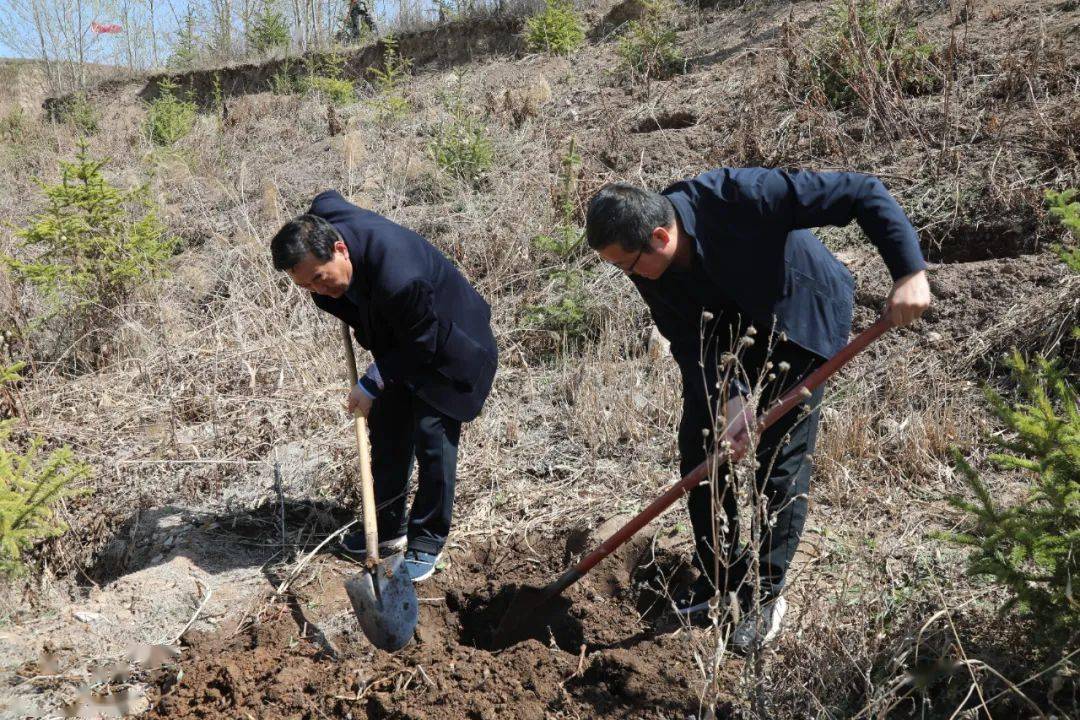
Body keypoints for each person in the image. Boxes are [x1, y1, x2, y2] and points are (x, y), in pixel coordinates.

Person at [584, 168, 931, 648]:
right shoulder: (647, 261)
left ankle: (767, 595)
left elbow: (862, 192)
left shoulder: (740, 198)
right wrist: (730, 399)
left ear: (660, 236)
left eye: (628, 265)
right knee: (700, 451)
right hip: (729, 335)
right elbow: (689, 339)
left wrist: (909, 272)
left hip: (798, 316)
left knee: (779, 462)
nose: (628, 275)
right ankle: (723, 576)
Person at [270, 190, 497, 582]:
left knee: (432, 436)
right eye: (307, 286)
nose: (318, 290)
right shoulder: (325, 226)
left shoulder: (399, 276)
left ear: (340, 249)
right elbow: (326, 198)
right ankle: (388, 527)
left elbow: (421, 344)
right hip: (399, 337)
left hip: (449, 344)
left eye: (320, 279)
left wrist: (370, 383)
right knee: (388, 430)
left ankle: (427, 541)